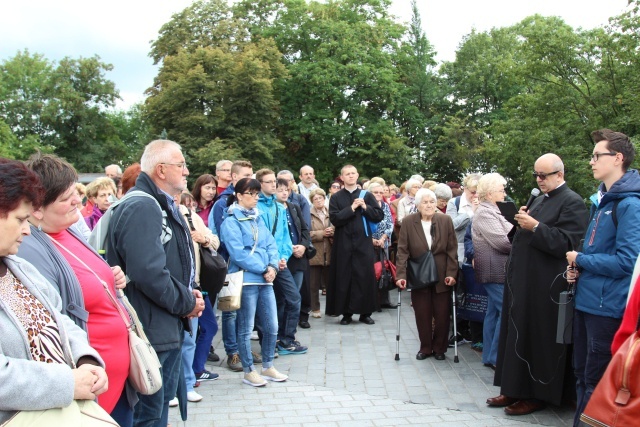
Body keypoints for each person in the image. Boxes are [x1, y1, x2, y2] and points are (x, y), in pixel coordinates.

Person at [17, 153, 132, 426]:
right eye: (66, 197)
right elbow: (52, 317)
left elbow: (89, 280)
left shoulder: (68, 232)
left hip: (108, 380)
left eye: (75, 193)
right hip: (86, 388)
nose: (77, 201)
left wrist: (111, 277)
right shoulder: (30, 249)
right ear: (38, 208)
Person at [0, 158, 109, 425]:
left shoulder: (19, 267)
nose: (27, 230)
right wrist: (68, 383)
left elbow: (58, 319)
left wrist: (86, 360)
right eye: (20, 219)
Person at [105, 140, 205, 427]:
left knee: (156, 409)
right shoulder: (143, 205)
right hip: (152, 328)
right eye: (181, 165)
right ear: (161, 170)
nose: (187, 171)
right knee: (149, 414)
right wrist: (186, 302)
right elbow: (148, 272)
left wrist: (187, 295)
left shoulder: (152, 203)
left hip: (160, 323)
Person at [489, 153, 588, 416]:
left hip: (546, 284)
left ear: (560, 174)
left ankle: (536, 394)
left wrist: (535, 227)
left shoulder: (573, 202)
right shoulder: (540, 199)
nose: (539, 179)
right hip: (523, 280)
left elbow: (569, 244)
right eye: (536, 174)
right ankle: (514, 387)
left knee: (538, 337)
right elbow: (523, 235)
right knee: (517, 332)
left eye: (543, 175)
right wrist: (520, 220)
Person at [565, 129, 640, 425]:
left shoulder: (630, 204)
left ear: (617, 158)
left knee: (595, 382)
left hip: (606, 309)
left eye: (597, 155)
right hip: (587, 302)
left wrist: (581, 259)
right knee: (582, 377)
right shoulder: (603, 201)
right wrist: (577, 269)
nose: (591, 162)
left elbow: (627, 262)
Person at [219, 178, 289, 387]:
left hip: (265, 279)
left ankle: (267, 366)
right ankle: (249, 370)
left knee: (271, 325)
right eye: (252, 193)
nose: (256, 197)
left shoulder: (257, 219)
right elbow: (237, 253)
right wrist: (263, 268)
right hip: (246, 280)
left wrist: (273, 267)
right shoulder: (230, 221)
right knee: (245, 327)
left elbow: (271, 245)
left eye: (258, 194)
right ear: (239, 195)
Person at [395, 188, 458, 360]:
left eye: (432, 201)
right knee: (422, 313)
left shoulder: (445, 220)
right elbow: (402, 251)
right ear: (417, 205)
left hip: (442, 272)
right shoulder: (409, 222)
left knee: (442, 314)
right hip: (419, 272)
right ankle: (425, 347)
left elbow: (452, 249)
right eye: (425, 202)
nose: (429, 205)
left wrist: (452, 273)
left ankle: (440, 348)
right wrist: (401, 276)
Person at [172, 193, 220, 405]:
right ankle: (174, 387)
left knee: (195, 334)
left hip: (195, 284)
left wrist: (205, 239)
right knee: (174, 339)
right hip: (171, 285)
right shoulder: (154, 213)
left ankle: (189, 381)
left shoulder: (190, 215)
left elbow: (216, 241)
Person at [256, 169, 308, 354]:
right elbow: (259, 238)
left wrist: (284, 257)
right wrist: (271, 261)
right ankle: (268, 344)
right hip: (262, 263)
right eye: (269, 182)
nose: (273, 185)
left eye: (274, 182)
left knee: (294, 298)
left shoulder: (280, 207)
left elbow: (285, 237)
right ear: (260, 184)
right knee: (267, 304)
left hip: (280, 262)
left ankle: (286, 339)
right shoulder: (256, 207)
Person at [209, 160, 253, 372]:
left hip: (249, 264)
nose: (250, 179)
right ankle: (232, 352)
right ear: (234, 178)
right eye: (246, 175)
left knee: (245, 308)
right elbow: (223, 237)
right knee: (230, 310)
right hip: (229, 264)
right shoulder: (223, 203)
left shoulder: (252, 201)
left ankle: (244, 349)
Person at [326, 165, 384, 325]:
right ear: (342, 177)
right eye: (347, 174)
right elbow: (335, 219)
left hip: (363, 242)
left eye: (353, 173)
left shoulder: (367, 195)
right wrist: (351, 208)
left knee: (364, 275)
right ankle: (346, 313)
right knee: (344, 276)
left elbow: (379, 216)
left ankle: (366, 313)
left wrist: (365, 207)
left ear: (357, 175)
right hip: (343, 243)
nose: (350, 176)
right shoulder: (336, 197)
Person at [471, 173, 513, 371]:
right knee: (505, 310)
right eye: (501, 190)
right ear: (489, 193)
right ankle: (496, 357)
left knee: (494, 313)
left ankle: (489, 355)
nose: (504, 193)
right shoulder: (485, 213)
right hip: (494, 270)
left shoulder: (494, 210)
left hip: (496, 269)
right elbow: (503, 242)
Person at [276, 179, 313, 329]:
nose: (284, 193)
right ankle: (280, 330)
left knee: (294, 295)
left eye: (287, 190)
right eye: (280, 190)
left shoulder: (294, 207)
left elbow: (304, 230)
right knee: (282, 297)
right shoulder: (273, 209)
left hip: (298, 258)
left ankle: (289, 331)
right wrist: (289, 248)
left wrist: (303, 246)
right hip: (284, 258)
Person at [369, 182, 396, 309]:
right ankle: (372, 302)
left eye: (381, 192)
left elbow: (390, 224)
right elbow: (362, 226)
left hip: (383, 244)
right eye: (376, 192)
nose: (379, 194)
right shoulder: (366, 207)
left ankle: (384, 301)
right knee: (372, 272)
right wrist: (373, 240)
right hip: (368, 244)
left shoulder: (385, 205)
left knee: (384, 271)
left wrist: (383, 238)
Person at [308, 188, 333, 316]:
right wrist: (321, 234)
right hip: (315, 253)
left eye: (320, 198)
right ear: (312, 201)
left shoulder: (331, 212)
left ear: (324, 199)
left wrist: (332, 232)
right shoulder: (308, 214)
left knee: (330, 283)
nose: (318, 201)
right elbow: (306, 234)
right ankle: (315, 309)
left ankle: (331, 308)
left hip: (329, 251)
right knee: (313, 284)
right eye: (315, 199)